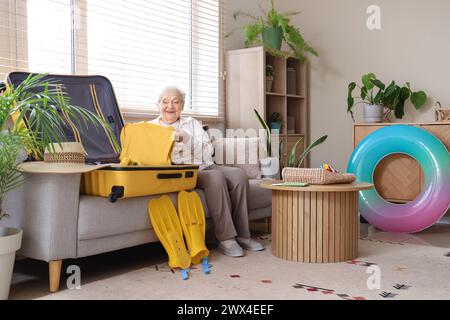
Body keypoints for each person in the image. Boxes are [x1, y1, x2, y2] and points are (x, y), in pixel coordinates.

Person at [150, 86, 264, 257]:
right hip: (186, 171)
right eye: (165, 102)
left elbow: (207, 151)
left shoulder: (192, 124)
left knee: (239, 175)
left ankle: (243, 235)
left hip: (207, 164)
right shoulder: (150, 128)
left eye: (175, 101)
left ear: (182, 105)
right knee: (215, 178)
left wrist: (187, 139)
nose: (170, 106)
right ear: (157, 105)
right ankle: (226, 239)